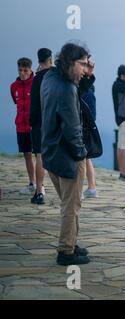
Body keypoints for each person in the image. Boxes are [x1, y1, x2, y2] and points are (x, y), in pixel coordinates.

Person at [41, 42, 91, 266]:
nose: (84, 68)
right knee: (71, 206)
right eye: (82, 64)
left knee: (70, 204)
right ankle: (66, 251)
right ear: (70, 63)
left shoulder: (50, 78)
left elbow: (70, 96)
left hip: (50, 151)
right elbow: (72, 128)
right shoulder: (66, 88)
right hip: (68, 156)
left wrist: (87, 77)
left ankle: (71, 242)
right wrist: (81, 154)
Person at [29, 48, 53, 205]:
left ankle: (39, 192)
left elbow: (34, 105)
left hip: (39, 123)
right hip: (55, 122)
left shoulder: (37, 80)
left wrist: (32, 122)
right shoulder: (55, 77)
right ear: (50, 59)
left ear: (38, 61)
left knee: (39, 156)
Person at [10, 57, 35, 195]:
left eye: (25, 70)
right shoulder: (14, 86)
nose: (22, 73)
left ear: (30, 69)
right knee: (27, 155)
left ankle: (40, 185)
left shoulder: (36, 84)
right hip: (20, 126)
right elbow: (16, 102)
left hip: (33, 127)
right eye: (20, 70)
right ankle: (32, 183)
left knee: (39, 155)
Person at [80, 58, 98, 198]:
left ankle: (82, 189)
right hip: (88, 124)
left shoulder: (86, 86)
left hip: (84, 125)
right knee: (86, 157)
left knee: (82, 158)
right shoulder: (89, 86)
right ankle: (91, 188)